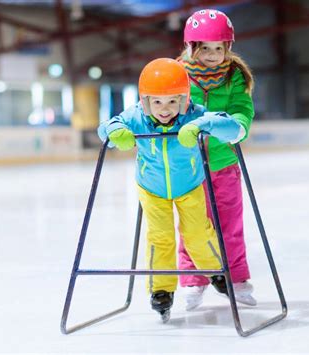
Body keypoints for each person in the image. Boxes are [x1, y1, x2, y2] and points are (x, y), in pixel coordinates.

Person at [97, 58, 246, 320]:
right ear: (145, 101)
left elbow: (232, 128)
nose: (164, 109)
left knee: (198, 233)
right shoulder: (137, 116)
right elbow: (105, 127)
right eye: (156, 102)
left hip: (189, 186)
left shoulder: (194, 113)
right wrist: (116, 131)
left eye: (171, 102)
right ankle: (161, 289)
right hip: (152, 188)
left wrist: (200, 125)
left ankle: (216, 271)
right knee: (160, 237)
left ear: (183, 99)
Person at [177, 9, 257, 311]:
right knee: (192, 225)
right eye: (205, 48)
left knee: (230, 224)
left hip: (224, 163)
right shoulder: (178, 73)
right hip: (188, 165)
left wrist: (238, 126)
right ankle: (194, 279)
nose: (213, 55)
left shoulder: (233, 75)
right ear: (192, 47)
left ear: (228, 48)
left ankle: (236, 278)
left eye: (219, 48)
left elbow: (242, 107)